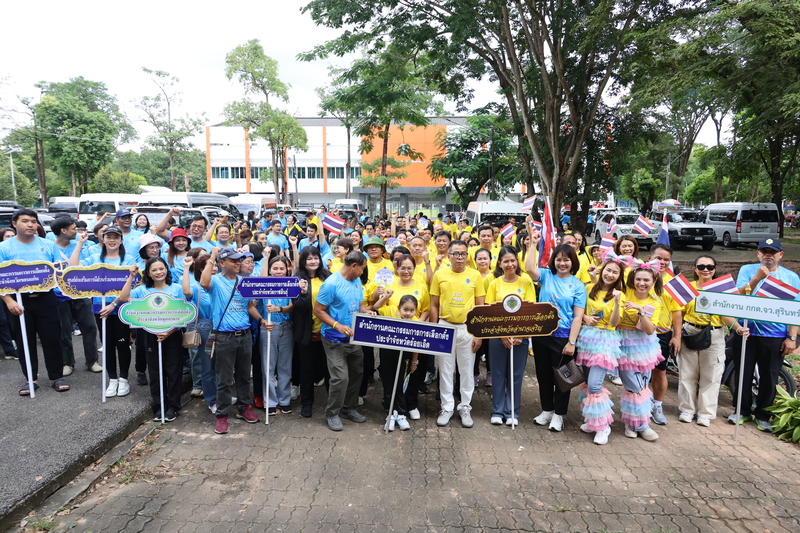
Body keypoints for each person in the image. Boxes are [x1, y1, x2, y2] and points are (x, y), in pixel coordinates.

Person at [106, 259, 189, 421]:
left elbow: (183, 313)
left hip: (172, 334)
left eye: (161, 268)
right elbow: (124, 297)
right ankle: (159, 406)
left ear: (166, 269)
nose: (159, 272)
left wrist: (169, 332)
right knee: (155, 372)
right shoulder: (142, 290)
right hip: (150, 335)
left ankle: (173, 406)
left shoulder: (176, 289)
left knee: (173, 371)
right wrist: (131, 276)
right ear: (148, 273)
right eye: (154, 270)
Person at [731, 238, 800, 430]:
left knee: (769, 377)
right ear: (758, 254)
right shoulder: (747, 270)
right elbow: (739, 296)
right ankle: (741, 411)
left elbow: (795, 309)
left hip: (775, 335)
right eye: (764, 252)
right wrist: (757, 278)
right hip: (746, 331)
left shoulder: (791, 277)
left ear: (780, 255)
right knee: (743, 372)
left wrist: (792, 337)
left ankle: (763, 416)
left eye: (773, 252)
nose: (768, 255)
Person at [0, 209, 71, 394]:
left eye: (33, 221)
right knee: (24, 341)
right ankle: (31, 379)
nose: (30, 225)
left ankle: (56, 376)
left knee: (52, 339)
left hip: (46, 298)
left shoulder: (48, 245)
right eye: (25, 221)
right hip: (18, 301)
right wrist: (8, 301)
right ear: (14, 224)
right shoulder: (4, 248)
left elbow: (59, 272)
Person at [679, 255, 749, 426]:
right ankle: (687, 409)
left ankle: (705, 413)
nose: (705, 270)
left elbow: (725, 315)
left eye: (710, 267)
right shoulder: (688, 288)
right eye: (701, 266)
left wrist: (738, 327)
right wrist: (677, 334)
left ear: (714, 270)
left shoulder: (721, 290)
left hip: (714, 334)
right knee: (687, 373)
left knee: (711, 375)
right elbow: (679, 313)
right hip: (690, 331)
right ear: (695, 269)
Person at [525, 237, 586, 432]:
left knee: (562, 378)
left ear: (572, 262)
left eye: (566, 260)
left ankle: (559, 415)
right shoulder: (546, 276)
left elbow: (578, 317)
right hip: (542, 334)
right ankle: (547, 410)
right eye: (558, 259)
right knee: (543, 375)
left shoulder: (578, 286)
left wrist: (572, 342)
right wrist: (532, 246)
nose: (562, 263)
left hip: (563, 338)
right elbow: (529, 269)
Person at [200, 248, 262, 434]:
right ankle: (222, 415)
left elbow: (249, 306)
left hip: (245, 335)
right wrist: (212, 256)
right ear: (221, 263)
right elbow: (204, 282)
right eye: (233, 260)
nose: (237, 263)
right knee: (225, 379)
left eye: (239, 260)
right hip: (224, 337)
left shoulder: (244, 282)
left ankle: (244, 408)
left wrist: (261, 320)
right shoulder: (216, 281)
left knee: (244, 376)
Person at [72, 226, 136, 397]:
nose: (112, 240)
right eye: (109, 237)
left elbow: (133, 285)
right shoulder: (94, 258)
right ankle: (112, 379)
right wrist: (80, 243)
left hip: (121, 308)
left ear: (121, 240)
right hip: (100, 308)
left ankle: (123, 379)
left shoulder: (128, 259)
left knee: (122, 343)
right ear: (103, 239)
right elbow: (72, 268)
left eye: (116, 237)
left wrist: (114, 304)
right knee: (107, 344)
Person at [313, 250, 373, 431]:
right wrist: (337, 325)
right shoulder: (331, 284)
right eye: (362, 268)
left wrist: (367, 312)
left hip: (354, 338)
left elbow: (360, 304)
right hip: (334, 339)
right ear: (353, 266)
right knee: (340, 378)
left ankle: (348, 408)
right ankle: (332, 413)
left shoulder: (356, 281)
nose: (363, 272)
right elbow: (318, 310)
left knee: (357, 373)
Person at [429, 240, 485, 428]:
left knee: (466, 371)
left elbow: (480, 307)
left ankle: (465, 407)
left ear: (467, 256)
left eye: (463, 254)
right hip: (445, 327)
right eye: (456, 254)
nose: (460, 257)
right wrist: (436, 329)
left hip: (467, 329)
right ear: (449, 256)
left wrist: (478, 334)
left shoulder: (475, 275)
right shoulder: (440, 274)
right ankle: (447, 407)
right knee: (445, 370)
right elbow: (434, 304)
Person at [371, 254, 430, 423]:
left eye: (409, 268)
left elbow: (426, 309)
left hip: (413, 339)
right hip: (390, 340)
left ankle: (410, 406)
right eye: (402, 267)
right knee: (390, 376)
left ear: (414, 269)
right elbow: (377, 306)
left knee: (411, 375)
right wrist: (384, 295)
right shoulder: (389, 285)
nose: (406, 271)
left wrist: (419, 324)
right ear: (396, 268)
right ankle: (391, 409)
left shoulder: (421, 286)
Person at [575, 256, 627, 445]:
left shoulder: (619, 294)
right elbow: (579, 310)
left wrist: (618, 302)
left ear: (619, 276)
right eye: (608, 270)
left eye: (615, 272)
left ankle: (603, 426)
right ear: (602, 270)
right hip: (587, 338)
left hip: (605, 339)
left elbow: (615, 322)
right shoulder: (589, 288)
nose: (610, 274)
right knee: (588, 383)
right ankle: (593, 421)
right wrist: (585, 318)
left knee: (595, 385)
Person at [485, 246, 536, 426]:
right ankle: (497, 411)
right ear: (500, 263)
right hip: (497, 337)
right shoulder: (494, 284)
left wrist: (521, 335)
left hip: (520, 338)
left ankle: (512, 411)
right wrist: (502, 335)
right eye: (506, 261)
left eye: (512, 260)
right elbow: (490, 313)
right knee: (498, 374)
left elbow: (531, 311)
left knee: (515, 375)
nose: (510, 264)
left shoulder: (526, 282)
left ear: (517, 261)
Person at [617, 259, 664, 441]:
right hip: (623, 345)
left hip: (645, 346)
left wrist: (641, 311)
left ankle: (631, 423)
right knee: (634, 386)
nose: (641, 283)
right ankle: (643, 426)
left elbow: (650, 329)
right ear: (632, 279)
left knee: (641, 386)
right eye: (638, 279)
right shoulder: (624, 293)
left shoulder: (655, 302)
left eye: (646, 280)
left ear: (653, 281)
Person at [51, 216, 100, 376]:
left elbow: (81, 266)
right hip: (59, 295)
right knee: (63, 330)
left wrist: (80, 244)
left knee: (89, 327)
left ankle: (92, 361)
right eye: (74, 229)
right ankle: (67, 362)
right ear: (63, 231)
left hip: (81, 292)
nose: (77, 232)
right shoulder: (50, 247)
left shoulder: (81, 245)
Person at [292, 246, 331, 418]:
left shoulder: (328, 276)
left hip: (327, 332)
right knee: (306, 369)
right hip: (306, 333)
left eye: (316, 257)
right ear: (303, 261)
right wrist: (303, 293)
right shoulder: (297, 279)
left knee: (329, 370)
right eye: (309, 258)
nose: (313, 261)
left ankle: (333, 404)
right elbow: (298, 307)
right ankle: (307, 403)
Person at [648, 243, 683, 426]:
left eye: (666, 260)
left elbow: (677, 312)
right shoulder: (639, 277)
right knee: (637, 371)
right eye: (658, 258)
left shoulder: (674, 283)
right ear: (649, 258)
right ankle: (638, 405)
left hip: (662, 334)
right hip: (640, 333)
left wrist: (677, 336)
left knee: (660, 371)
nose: (662, 262)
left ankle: (657, 405)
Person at [261, 256, 300, 415]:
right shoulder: (263, 285)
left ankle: (284, 400)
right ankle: (270, 401)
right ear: (270, 270)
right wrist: (266, 257)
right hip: (268, 327)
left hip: (286, 327)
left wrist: (279, 309)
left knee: (285, 366)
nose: (278, 271)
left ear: (287, 269)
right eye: (275, 268)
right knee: (268, 367)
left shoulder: (291, 284)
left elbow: (293, 306)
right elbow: (253, 304)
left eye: (282, 268)